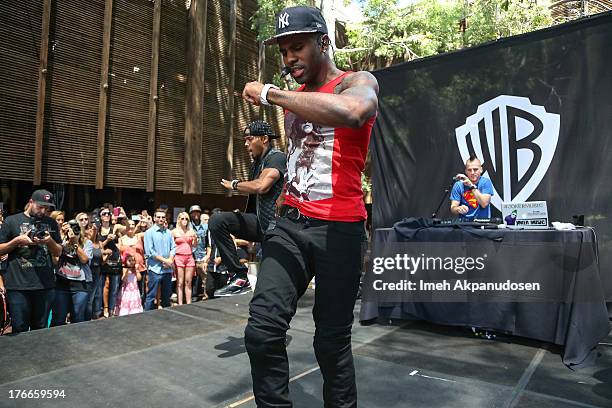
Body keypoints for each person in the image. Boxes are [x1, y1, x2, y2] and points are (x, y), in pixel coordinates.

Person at [241, 6, 379, 407]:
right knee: (262, 330)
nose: (289, 59)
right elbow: (301, 157)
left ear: (323, 42)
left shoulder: (355, 81)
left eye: (297, 48)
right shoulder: (295, 100)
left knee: (331, 345)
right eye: (283, 52)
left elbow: (354, 113)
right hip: (291, 226)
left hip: (340, 230)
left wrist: (270, 93)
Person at [210, 120, 287, 297]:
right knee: (217, 221)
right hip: (259, 224)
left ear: (264, 138)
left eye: (249, 139)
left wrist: (235, 184)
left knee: (270, 286)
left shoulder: (276, 157)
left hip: (275, 230)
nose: (246, 144)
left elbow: (262, 186)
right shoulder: (256, 164)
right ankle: (239, 276)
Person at [0, 190, 63, 333]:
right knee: (19, 328)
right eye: (40, 206)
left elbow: (58, 251)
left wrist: (49, 241)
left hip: (44, 285)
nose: (43, 211)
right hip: (18, 286)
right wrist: (17, 241)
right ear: (31, 202)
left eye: (47, 208)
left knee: (40, 329)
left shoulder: (51, 222)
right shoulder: (11, 221)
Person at [51, 218, 93, 326]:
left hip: (81, 284)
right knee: (58, 318)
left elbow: (84, 259)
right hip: (62, 283)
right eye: (70, 228)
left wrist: (75, 243)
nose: (73, 231)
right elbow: (55, 260)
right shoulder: (62, 242)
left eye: (76, 228)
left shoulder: (87, 243)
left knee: (78, 318)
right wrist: (60, 236)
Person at [143, 208, 176, 310]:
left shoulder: (169, 233)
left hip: (167, 269)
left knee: (166, 297)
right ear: (154, 218)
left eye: (163, 217)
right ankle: (146, 317)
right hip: (155, 269)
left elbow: (173, 247)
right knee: (151, 296)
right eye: (158, 217)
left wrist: (170, 260)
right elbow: (150, 252)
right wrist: (165, 260)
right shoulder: (149, 233)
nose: (161, 219)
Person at [450, 156, 494, 221]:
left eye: (475, 169)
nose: (472, 172)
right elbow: (453, 208)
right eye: (469, 170)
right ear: (466, 171)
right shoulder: (458, 185)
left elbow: (484, 204)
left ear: (481, 170)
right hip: (464, 224)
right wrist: (458, 209)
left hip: (482, 223)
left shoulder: (485, 182)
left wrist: (471, 185)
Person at [172, 212, 196, 305]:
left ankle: (189, 302)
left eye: (186, 219)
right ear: (178, 220)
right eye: (182, 218)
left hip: (189, 256)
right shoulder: (174, 231)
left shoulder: (191, 231)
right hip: (178, 257)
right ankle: (180, 303)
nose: (184, 220)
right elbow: (171, 245)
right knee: (180, 282)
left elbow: (194, 245)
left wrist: (195, 239)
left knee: (188, 281)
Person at [189, 205, 210, 301]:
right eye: (194, 212)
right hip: (190, 257)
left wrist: (207, 256)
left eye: (197, 212)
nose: (196, 214)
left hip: (202, 256)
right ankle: (191, 296)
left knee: (205, 279)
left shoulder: (205, 226)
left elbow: (209, 243)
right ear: (191, 214)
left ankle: (206, 296)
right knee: (190, 279)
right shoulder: (188, 226)